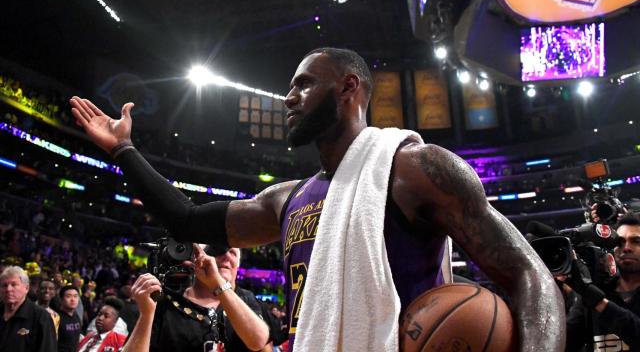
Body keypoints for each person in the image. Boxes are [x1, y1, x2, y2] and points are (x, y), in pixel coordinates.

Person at [70, 47, 565, 351]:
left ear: (349, 87)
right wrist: (124, 149)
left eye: (303, 84)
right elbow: (185, 220)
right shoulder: (286, 200)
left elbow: (528, 273)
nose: (288, 98)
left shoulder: (414, 168)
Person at [122, 244, 270, 351]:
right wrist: (146, 315)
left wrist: (216, 283)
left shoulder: (246, 299)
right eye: (218, 250)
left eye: (233, 252)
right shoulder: (165, 301)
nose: (226, 256)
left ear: (237, 266)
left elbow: (258, 341)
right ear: (196, 259)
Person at [564, 213, 640, 350]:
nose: (626, 248)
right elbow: (563, 344)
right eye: (620, 242)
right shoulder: (596, 294)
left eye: (636, 241)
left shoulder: (593, 296)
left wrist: (596, 300)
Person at [0, 266, 57, 352]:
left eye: (14, 284)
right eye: (4, 285)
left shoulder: (41, 317)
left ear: (26, 288)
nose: (8, 289)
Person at [57, 285, 82, 352]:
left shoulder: (76, 316)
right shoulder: (56, 318)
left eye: (75, 296)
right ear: (61, 299)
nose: (73, 299)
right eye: (68, 296)